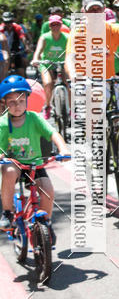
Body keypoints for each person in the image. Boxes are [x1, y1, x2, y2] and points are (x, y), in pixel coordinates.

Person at [0, 74, 68, 242]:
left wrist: (63, 149)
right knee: (8, 171)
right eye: (12, 102)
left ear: (28, 100)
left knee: (47, 189)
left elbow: (53, 134)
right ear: (4, 103)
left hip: (35, 165)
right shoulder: (3, 123)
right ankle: (8, 213)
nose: (17, 106)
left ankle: (46, 222)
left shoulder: (35, 118)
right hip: (15, 164)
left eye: (21, 101)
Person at [31, 15, 68, 119]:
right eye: (53, 24)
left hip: (62, 64)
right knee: (48, 83)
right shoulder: (45, 37)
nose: (55, 26)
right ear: (50, 26)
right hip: (47, 64)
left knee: (69, 83)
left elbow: (73, 51)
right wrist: (35, 59)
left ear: (61, 25)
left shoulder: (67, 37)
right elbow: (38, 52)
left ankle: (71, 109)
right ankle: (47, 106)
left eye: (57, 24)